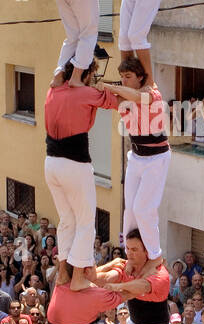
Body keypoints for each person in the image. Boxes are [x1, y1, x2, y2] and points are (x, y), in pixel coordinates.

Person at [44, 57, 142, 289]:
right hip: (74, 163)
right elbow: (120, 102)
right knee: (86, 221)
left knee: (67, 219)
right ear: (86, 74)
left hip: (50, 162)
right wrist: (122, 87)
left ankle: (63, 273)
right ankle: (78, 277)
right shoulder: (84, 92)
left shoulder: (53, 90)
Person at [115, 57, 170, 263]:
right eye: (121, 77)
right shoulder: (125, 95)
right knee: (129, 209)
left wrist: (109, 87)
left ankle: (154, 255)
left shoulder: (151, 94)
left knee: (143, 209)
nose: (124, 81)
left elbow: (136, 97)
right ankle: (130, 252)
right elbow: (120, 99)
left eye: (128, 77)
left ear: (140, 77)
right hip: (137, 157)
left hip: (156, 159)